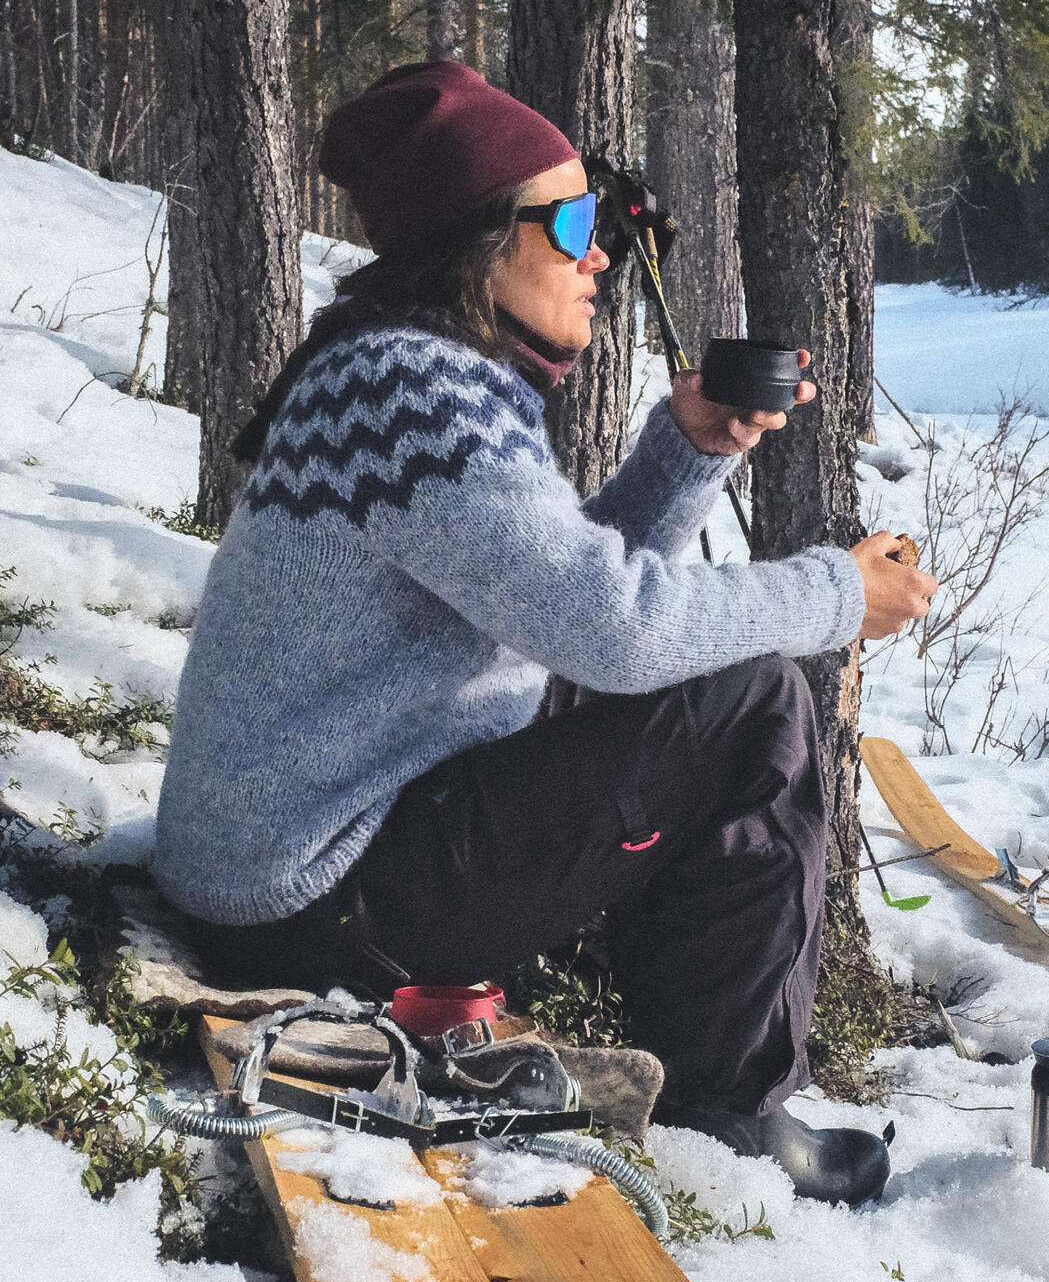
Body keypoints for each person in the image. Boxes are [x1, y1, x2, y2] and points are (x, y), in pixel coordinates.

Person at [153, 61, 937, 1205]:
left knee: (698, 696)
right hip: (312, 901)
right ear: (479, 237)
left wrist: (691, 451)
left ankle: (706, 1060)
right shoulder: (419, 394)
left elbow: (548, 614)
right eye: (572, 221)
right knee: (752, 700)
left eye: (604, 221)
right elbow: (609, 630)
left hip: (290, 850)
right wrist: (833, 594)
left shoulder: (391, 371)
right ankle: (727, 1114)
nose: (601, 253)